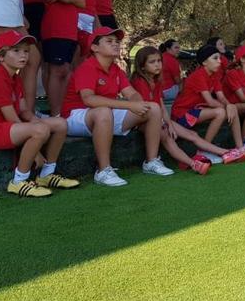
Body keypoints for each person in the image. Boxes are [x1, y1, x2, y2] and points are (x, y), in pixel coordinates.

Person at [61, 27, 173, 187]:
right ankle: (103, 170)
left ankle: (151, 162)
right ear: (94, 47)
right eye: (109, 41)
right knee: (103, 112)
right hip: (76, 116)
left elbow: (132, 94)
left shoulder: (115, 69)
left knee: (153, 108)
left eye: (117, 41)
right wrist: (129, 105)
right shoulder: (87, 67)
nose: (116, 44)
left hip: (106, 114)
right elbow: (89, 99)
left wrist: (139, 104)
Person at [0, 31, 78, 197]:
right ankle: (18, 181)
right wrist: (36, 151)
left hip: (9, 127)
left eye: (26, 51)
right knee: (40, 130)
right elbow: (12, 118)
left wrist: (37, 121)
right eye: (16, 51)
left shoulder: (15, 78)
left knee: (60, 124)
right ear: (1, 56)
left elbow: (24, 111)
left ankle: (46, 174)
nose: (23, 55)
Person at [131, 46, 242, 175]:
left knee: (192, 135)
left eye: (159, 61)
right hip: (149, 120)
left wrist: (169, 123)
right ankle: (203, 159)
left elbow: (160, 106)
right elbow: (147, 109)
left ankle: (219, 155)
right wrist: (165, 123)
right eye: (152, 62)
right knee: (166, 136)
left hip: (163, 118)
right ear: (142, 66)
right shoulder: (139, 82)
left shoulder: (156, 81)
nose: (157, 65)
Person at [170, 45, 245, 164]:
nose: (219, 61)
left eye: (219, 58)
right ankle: (203, 151)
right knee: (221, 111)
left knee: (232, 108)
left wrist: (229, 105)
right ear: (204, 62)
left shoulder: (215, 75)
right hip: (182, 114)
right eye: (215, 58)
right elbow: (210, 101)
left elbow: (221, 97)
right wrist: (227, 106)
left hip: (197, 110)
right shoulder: (199, 75)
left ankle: (240, 148)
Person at [40, 0, 85, 117]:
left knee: (66, 70)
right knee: (56, 70)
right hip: (55, 29)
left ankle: (64, 111)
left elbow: (81, 1)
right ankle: (56, 113)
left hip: (69, 31)